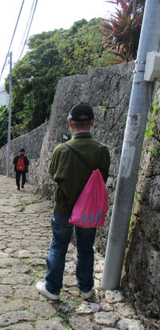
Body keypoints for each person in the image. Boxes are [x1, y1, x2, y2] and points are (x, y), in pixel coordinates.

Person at [36, 102, 110, 301]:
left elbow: (54, 175)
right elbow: (103, 177)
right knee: (86, 248)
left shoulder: (62, 150)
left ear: (70, 123)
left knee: (59, 245)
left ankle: (52, 288)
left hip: (64, 207)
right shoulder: (103, 151)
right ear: (93, 122)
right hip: (89, 210)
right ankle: (86, 288)